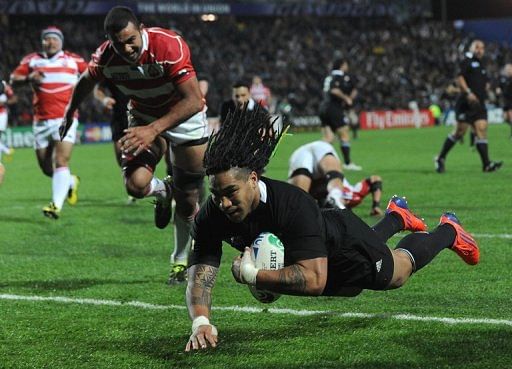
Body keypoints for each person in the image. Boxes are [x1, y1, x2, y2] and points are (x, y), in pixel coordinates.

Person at [184, 106, 479, 351]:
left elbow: (314, 279)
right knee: (359, 265)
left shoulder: (291, 204)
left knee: (397, 272)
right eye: (216, 194)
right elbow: (200, 276)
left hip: (343, 244)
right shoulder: (212, 216)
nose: (223, 203)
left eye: (230, 192)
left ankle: (449, 231)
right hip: (314, 247)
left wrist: (253, 275)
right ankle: (396, 217)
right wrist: (201, 322)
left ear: (252, 178)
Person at [60, 6, 208, 284]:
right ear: (110, 41)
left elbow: (194, 101)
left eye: (131, 40)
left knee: (189, 199)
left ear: (141, 29)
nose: (126, 48)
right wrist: (69, 112)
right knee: (136, 184)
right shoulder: (106, 56)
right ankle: (164, 192)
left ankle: (179, 259)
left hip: (183, 118)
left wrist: (154, 129)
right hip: (142, 117)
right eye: (119, 43)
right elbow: (85, 81)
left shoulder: (169, 45)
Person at [10, 26, 84, 218]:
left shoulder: (74, 60)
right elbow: (13, 79)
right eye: (47, 39)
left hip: (65, 118)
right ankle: (69, 181)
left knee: (60, 160)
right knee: (45, 167)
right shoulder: (32, 60)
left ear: (61, 41)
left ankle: (55, 205)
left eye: (54, 39)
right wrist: (28, 78)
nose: (50, 42)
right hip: (41, 121)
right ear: (42, 42)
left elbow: (94, 75)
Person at [434, 40, 503, 173]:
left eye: (482, 47)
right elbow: (459, 78)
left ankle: (487, 164)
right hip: (466, 103)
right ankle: (440, 158)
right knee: (460, 132)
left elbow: (483, 82)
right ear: (471, 48)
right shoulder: (466, 60)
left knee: (481, 129)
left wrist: (487, 88)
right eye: (476, 47)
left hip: (480, 104)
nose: (480, 50)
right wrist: (468, 92)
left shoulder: (482, 64)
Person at [288, 140, 383, 216]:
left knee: (298, 203)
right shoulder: (353, 197)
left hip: (302, 154)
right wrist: (376, 206)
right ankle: (335, 194)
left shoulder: (353, 197)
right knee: (299, 203)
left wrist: (376, 205)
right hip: (321, 151)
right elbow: (375, 179)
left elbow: (375, 180)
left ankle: (335, 194)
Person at [93, 80, 137, 204]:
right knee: (120, 156)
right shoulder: (112, 69)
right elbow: (98, 89)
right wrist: (104, 100)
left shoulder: (141, 67)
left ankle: (147, 185)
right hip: (119, 117)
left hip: (139, 116)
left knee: (140, 154)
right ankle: (133, 187)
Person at [319, 58, 361, 171]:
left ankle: (317, 158)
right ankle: (348, 163)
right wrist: (346, 98)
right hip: (333, 108)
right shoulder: (339, 76)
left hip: (323, 107)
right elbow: (334, 90)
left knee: (329, 138)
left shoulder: (329, 76)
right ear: (342, 65)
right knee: (344, 133)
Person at [0, 81, 17, 185]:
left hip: (1, 115)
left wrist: (3, 103)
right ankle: (6, 150)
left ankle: (6, 151)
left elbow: (14, 98)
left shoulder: (3, 84)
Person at [496, 63, 512, 138]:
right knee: (506, 118)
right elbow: (499, 86)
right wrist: (498, 89)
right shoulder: (503, 79)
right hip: (505, 100)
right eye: (507, 69)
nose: (508, 70)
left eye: (509, 69)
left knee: (511, 116)